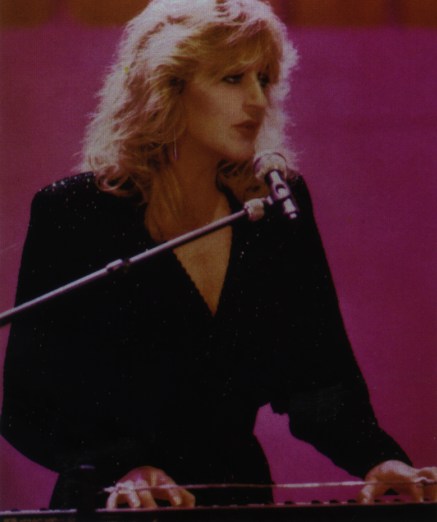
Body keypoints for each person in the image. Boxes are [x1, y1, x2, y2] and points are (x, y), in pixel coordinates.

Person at [1, 0, 436, 511]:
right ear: (167, 87)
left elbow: (320, 379)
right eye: (233, 79)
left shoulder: (275, 206)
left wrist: (379, 459)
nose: (257, 100)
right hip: (115, 505)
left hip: (237, 496)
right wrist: (122, 468)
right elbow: (29, 405)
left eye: (264, 79)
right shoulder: (76, 212)